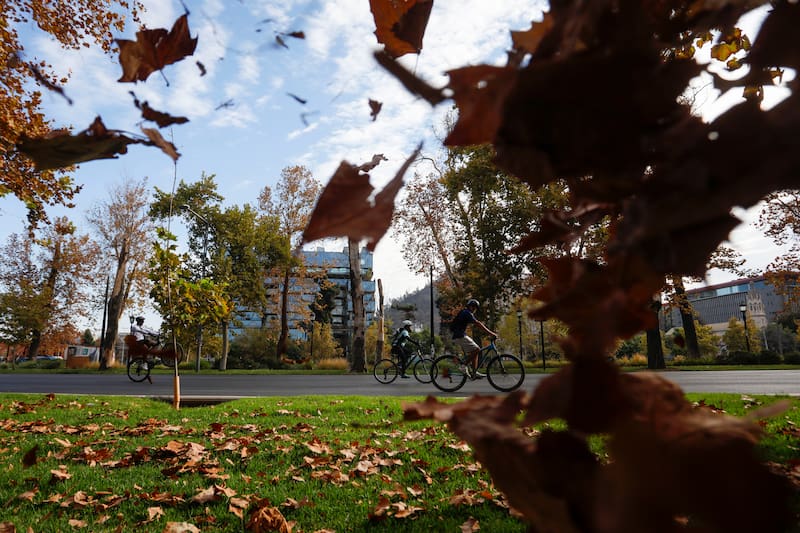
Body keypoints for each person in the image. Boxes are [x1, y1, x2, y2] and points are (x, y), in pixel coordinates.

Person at [450, 299, 497, 378]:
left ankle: (474, 372)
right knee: (477, 350)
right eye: (475, 308)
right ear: (471, 307)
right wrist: (491, 333)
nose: (475, 310)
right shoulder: (467, 313)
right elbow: (478, 324)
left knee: (475, 351)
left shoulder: (465, 312)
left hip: (460, 335)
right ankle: (463, 365)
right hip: (460, 336)